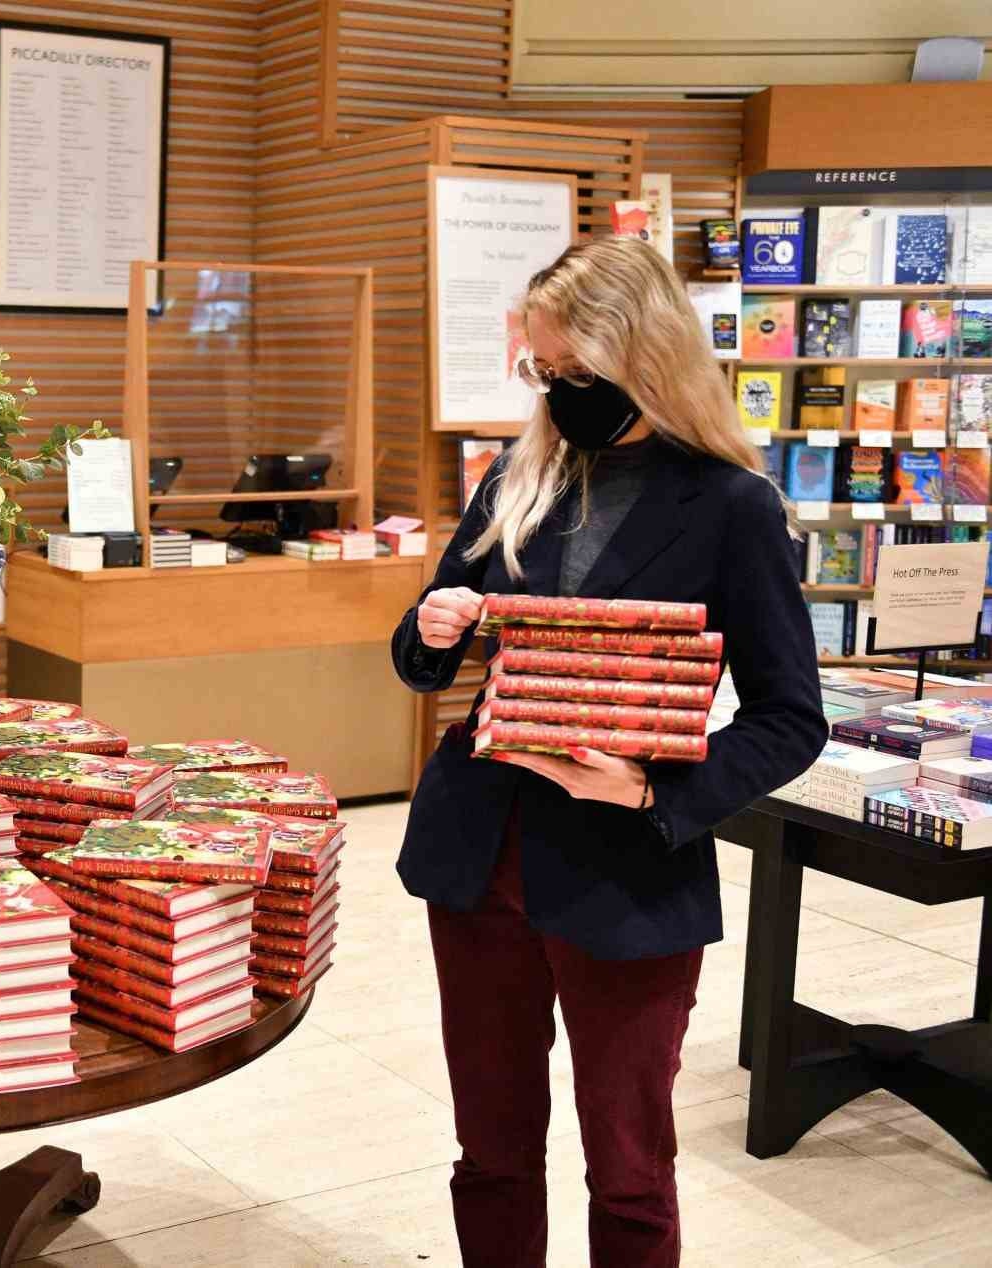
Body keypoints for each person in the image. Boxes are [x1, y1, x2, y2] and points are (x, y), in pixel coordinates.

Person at [391, 236, 825, 1268]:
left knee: (627, 1170)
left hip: (628, 871)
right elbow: (419, 653)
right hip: (480, 854)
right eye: (543, 374)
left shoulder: (730, 505)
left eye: (576, 375)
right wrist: (432, 624)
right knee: (489, 1150)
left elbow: (788, 717)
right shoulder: (517, 470)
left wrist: (647, 793)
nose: (557, 394)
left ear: (644, 355)